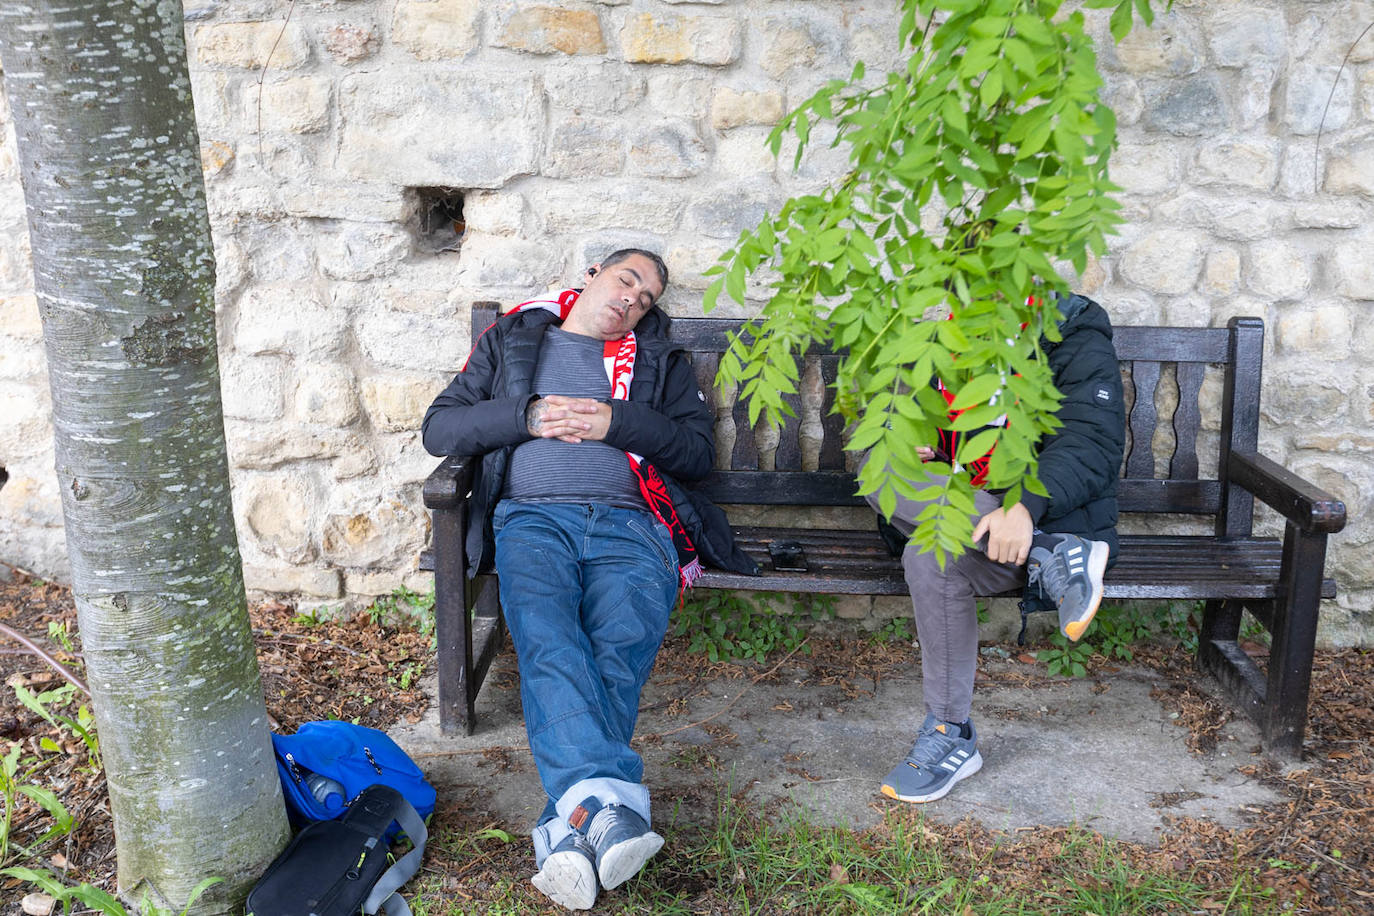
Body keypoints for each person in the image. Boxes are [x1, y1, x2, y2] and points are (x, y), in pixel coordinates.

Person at [422, 249, 743, 910]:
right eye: (628, 280)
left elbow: (698, 456)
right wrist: (526, 416)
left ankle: (567, 829)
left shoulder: (657, 361)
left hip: (633, 526)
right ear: (593, 273)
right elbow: (441, 428)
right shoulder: (514, 339)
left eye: (649, 297)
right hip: (533, 522)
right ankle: (606, 811)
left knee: (616, 651)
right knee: (547, 637)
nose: (634, 299)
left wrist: (615, 422)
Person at [865, 291, 1125, 804]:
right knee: (882, 471)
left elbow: (1090, 442)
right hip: (981, 524)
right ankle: (1051, 556)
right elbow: (914, 433)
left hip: (1044, 512)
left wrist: (1024, 508)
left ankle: (949, 731)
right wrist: (924, 445)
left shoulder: (1072, 332)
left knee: (928, 553)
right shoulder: (945, 339)